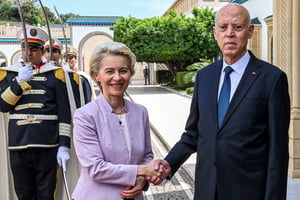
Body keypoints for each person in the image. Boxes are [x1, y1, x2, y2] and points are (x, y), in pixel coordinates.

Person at [150, 3, 291, 200]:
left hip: (249, 192)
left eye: (238, 27)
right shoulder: (205, 77)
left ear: (250, 31)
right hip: (207, 190)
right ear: (215, 33)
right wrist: (168, 164)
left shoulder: (272, 79)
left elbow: (278, 152)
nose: (230, 33)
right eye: (223, 27)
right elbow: (193, 134)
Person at [71, 41, 162, 200]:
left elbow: (147, 155)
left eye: (123, 71)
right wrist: (143, 171)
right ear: (96, 75)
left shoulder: (141, 112)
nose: (117, 77)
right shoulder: (84, 116)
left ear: (131, 73)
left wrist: (141, 180)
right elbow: (97, 169)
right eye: (109, 71)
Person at [0, 26, 72, 200]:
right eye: (24, 48)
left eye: (33, 49)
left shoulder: (56, 75)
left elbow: (64, 112)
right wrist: (19, 82)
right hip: (19, 143)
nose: (28, 53)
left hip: (47, 143)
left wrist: (64, 144)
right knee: (24, 193)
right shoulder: (10, 75)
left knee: (46, 194)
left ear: (42, 51)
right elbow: (3, 106)